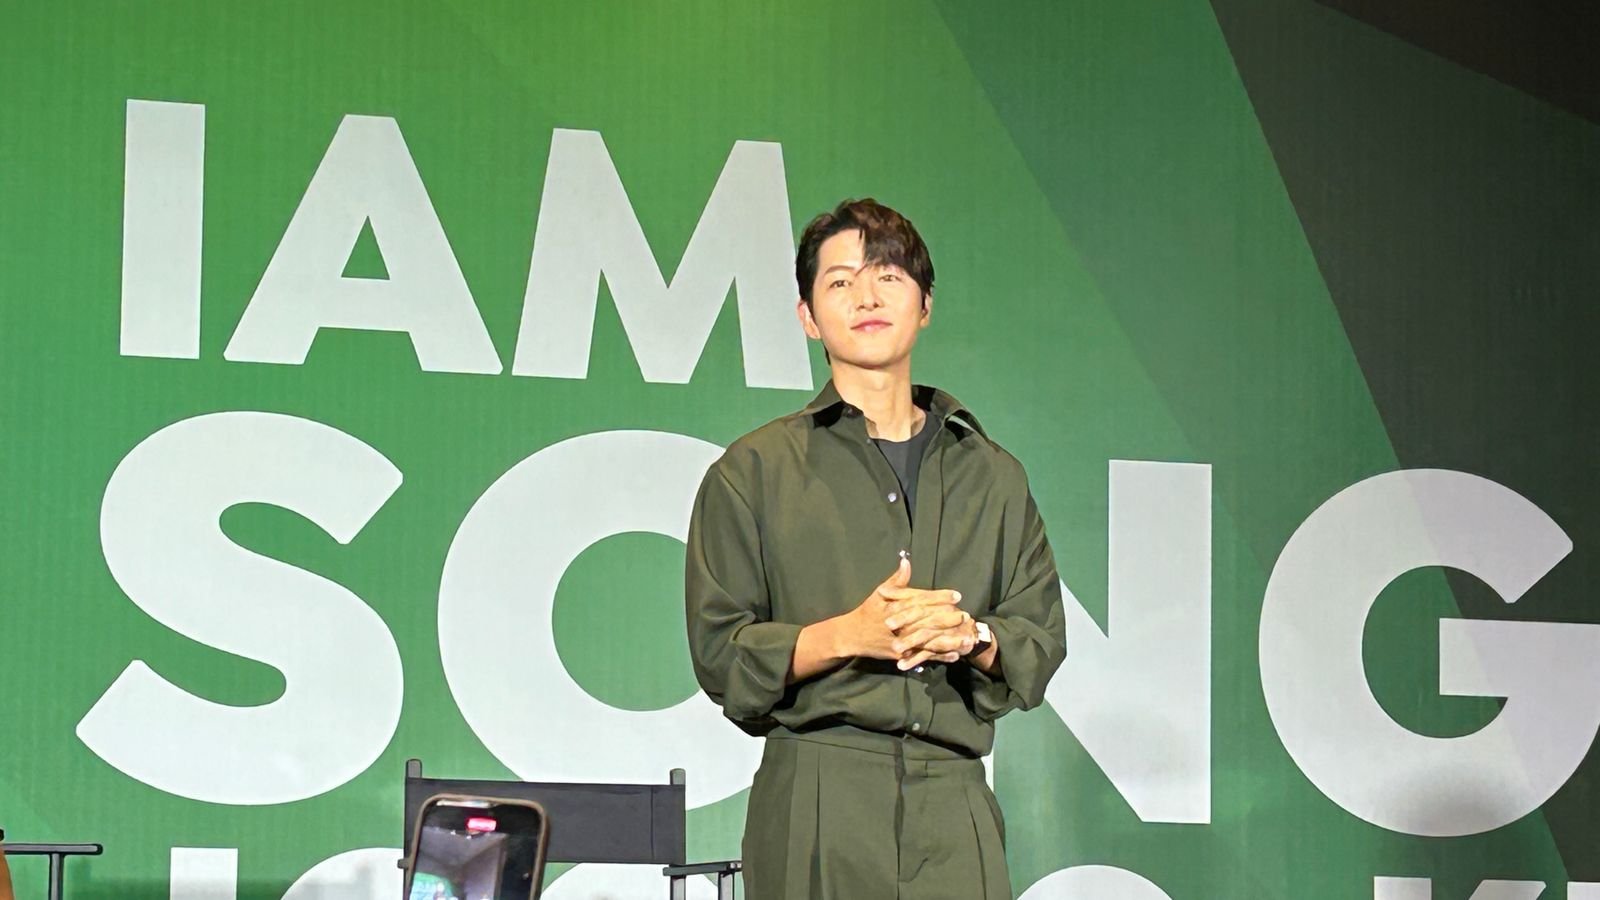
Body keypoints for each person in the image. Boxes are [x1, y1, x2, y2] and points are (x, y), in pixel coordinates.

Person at [685, 198, 1067, 899]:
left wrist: (973, 636)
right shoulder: (753, 471)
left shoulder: (994, 475)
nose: (866, 296)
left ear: (925, 304)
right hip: (816, 795)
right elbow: (721, 656)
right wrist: (847, 636)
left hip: (954, 800)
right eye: (840, 281)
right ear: (808, 317)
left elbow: (1039, 642)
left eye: (888, 275)